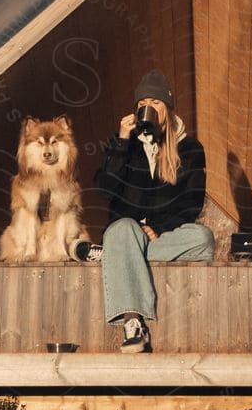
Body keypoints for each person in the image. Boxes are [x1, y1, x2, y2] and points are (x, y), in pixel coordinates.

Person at [91, 69, 213, 352]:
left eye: (155, 102)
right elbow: (105, 190)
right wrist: (122, 143)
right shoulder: (124, 144)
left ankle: (112, 255)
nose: (149, 108)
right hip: (127, 228)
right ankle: (133, 322)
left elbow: (192, 202)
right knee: (121, 230)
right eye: (142, 102)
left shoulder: (191, 149)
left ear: (168, 109)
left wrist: (158, 228)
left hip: (163, 235)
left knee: (203, 239)